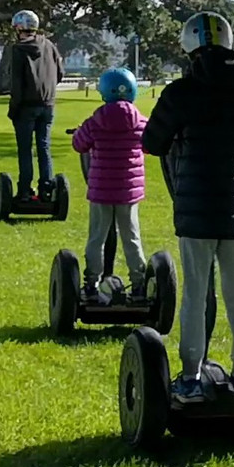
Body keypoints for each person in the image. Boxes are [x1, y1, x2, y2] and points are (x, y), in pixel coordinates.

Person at [142, 11, 234, 404]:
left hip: (195, 210)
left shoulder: (181, 92)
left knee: (196, 294)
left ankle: (190, 376)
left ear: (189, 46)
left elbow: (152, 141)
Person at [71, 67, 149, 301]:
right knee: (132, 238)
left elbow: (79, 144)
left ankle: (92, 284)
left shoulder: (95, 120)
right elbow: (150, 144)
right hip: (128, 192)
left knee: (97, 238)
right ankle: (138, 285)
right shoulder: (140, 121)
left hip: (101, 191)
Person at [8, 10, 65, 202]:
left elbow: (16, 84)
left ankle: (24, 190)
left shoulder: (18, 49)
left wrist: (14, 109)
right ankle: (46, 189)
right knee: (44, 147)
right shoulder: (49, 45)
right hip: (48, 105)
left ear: (19, 28)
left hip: (26, 106)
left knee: (25, 149)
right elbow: (60, 73)